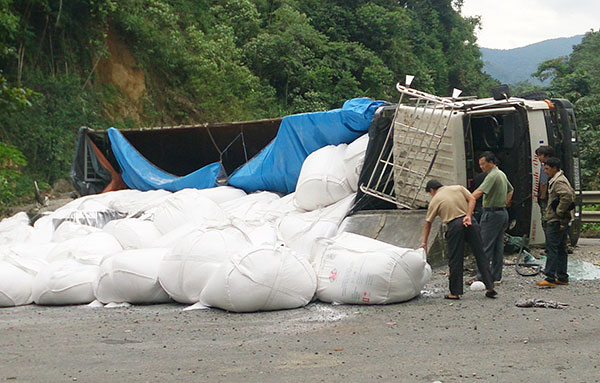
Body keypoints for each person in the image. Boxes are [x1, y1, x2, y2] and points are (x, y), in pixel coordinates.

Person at [420, 179, 497, 300]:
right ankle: (490, 286)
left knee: (455, 258)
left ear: (431, 190)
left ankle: (455, 292)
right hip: (471, 222)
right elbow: (472, 199)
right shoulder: (458, 188)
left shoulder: (435, 200)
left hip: (454, 225)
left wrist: (424, 242)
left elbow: (428, 223)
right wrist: (468, 215)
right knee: (480, 254)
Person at [472, 151, 514, 284]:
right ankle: (496, 276)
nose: (481, 167)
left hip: (491, 214)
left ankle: (482, 277)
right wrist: (505, 203)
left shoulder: (492, 175)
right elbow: (511, 189)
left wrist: (466, 201)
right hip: (502, 213)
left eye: (483, 164)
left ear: (491, 162)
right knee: (497, 247)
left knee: (485, 246)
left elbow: (478, 193)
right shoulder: (501, 174)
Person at [537, 157, 575, 287]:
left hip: (556, 219)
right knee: (561, 248)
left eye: (547, 169)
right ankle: (562, 277)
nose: (545, 171)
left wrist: (559, 211)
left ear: (554, 168)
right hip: (562, 220)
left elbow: (567, 195)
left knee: (552, 247)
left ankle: (550, 277)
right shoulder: (559, 179)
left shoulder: (558, 181)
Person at [535, 145, 555, 218]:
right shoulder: (555, 165)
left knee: (545, 217)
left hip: (546, 196)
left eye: (540, 155)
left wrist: (542, 195)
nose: (539, 158)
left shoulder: (545, 167)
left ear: (547, 156)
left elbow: (543, 183)